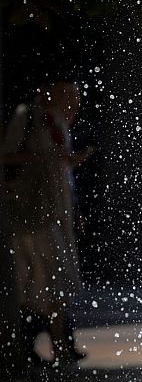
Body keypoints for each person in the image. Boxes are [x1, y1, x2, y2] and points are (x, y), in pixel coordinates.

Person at [0, 79, 93, 366]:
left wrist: (74, 205)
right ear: (51, 92)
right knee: (41, 281)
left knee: (55, 281)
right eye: (68, 98)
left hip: (55, 212)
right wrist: (47, 159)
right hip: (31, 214)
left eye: (76, 101)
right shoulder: (28, 117)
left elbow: (62, 171)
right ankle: (48, 345)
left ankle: (60, 343)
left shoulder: (56, 123)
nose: (73, 106)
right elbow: (7, 156)